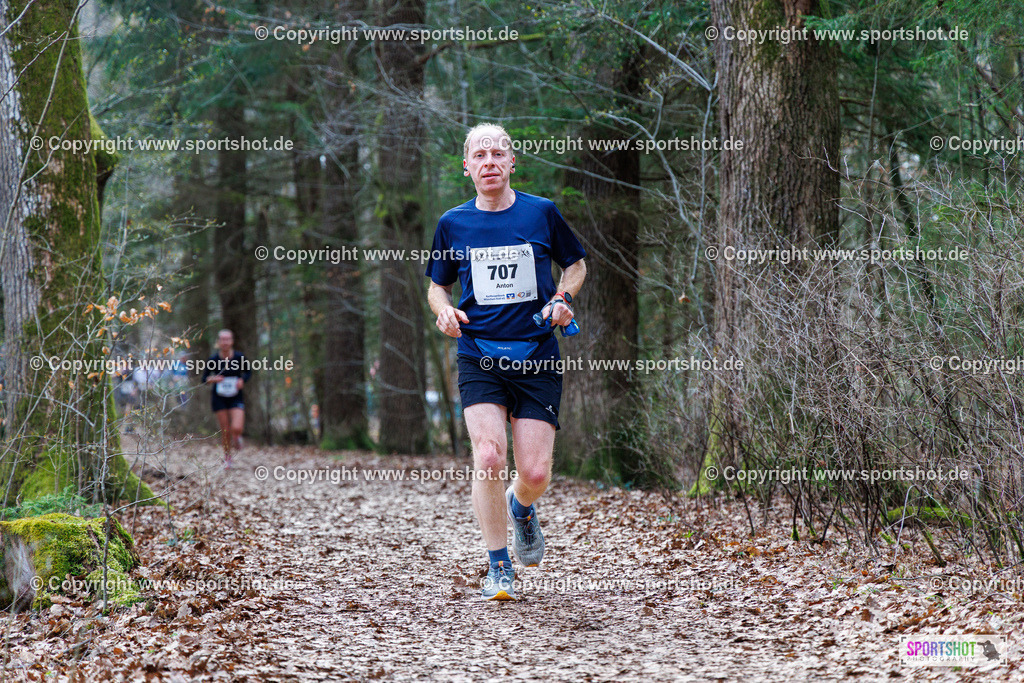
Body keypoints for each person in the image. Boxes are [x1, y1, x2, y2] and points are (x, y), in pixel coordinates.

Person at [425, 123, 587, 600]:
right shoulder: (453, 223)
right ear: (467, 166)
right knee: (490, 456)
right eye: (481, 155)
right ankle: (498, 566)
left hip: (536, 352)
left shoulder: (542, 213)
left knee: (535, 473)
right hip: (479, 354)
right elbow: (437, 285)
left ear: (512, 163)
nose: (490, 161)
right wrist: (444, 312)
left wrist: (561, 297)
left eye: (499, 154)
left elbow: (576, 264)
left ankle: (520, 506)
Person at [201, 329, 251, 467]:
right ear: (218, 342)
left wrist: (242, 380)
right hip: (219, 397)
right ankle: (228, 458)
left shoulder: (239, 357)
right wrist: (213, 379)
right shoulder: (213, 359)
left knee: (237, 427)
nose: (225, 342)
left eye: (227, 339)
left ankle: (237, 437)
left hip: (236, 396)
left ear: (232, 341)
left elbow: (248, 372)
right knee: (225, 430)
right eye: (222, 339)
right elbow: (204, 378)